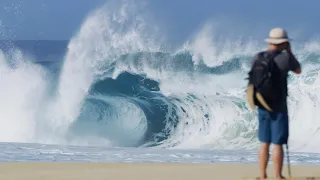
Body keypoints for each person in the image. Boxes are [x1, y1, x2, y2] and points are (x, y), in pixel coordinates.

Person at [249, 27, 301, 179]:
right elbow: (298, 70)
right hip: (279, 105)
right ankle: (278, 176)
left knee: (264, 142)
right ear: (284, 43)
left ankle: (262, 175)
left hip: (262, 103)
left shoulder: (258, 57)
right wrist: (289, 52)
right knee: (277, 143)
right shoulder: (284, 58)